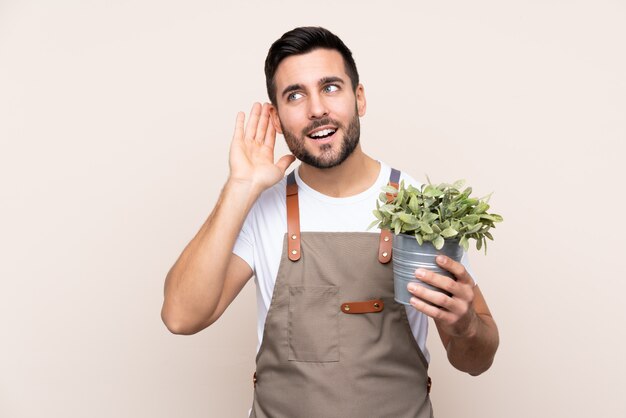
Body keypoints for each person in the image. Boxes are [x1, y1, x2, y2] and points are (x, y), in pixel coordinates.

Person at [161, 26, 499, 417]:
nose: (316, 108)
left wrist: (466, 326)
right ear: (275, 116)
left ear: (359, 97)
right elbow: (180, 316)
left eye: (331, 87)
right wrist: (240, 187)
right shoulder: (260, 209)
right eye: (295, 94)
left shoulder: (420, 207)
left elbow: (476, 360)